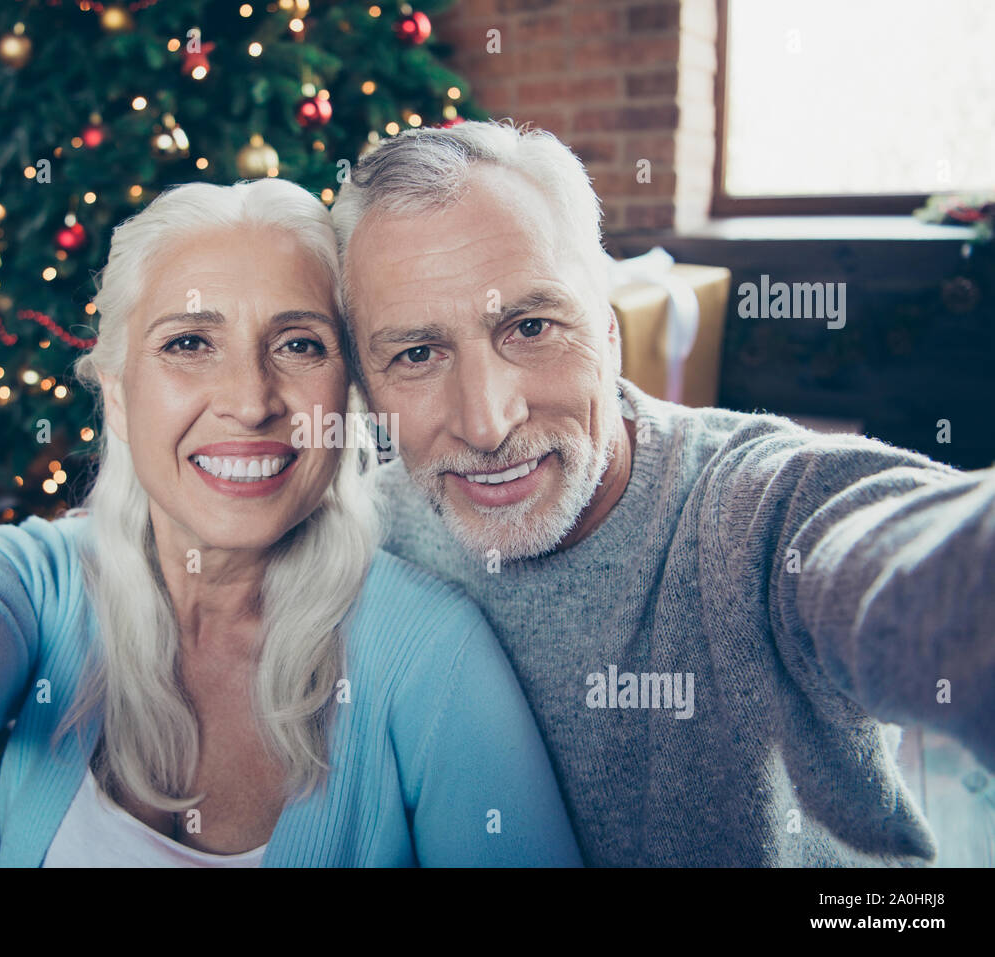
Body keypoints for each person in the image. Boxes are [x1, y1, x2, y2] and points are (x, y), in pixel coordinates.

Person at [0, 177, 583, 868]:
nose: (249, 399)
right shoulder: (33, 587)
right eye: (189, 342)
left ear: (347, 397)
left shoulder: (429, 656)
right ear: (117, 395)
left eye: (300, 343)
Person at [332, 119, 995, 866]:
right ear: (366, 385)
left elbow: (910, 549)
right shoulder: (363, 539)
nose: (487, 422)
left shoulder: (758, 509)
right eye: (417, 353)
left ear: (609, 335)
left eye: (530, 326)